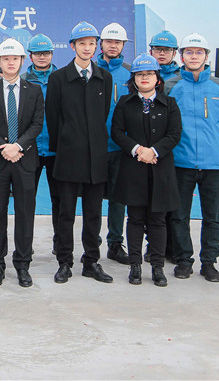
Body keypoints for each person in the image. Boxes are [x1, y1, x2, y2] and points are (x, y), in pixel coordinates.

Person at [165, 33, 219, 283]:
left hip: (213, 164)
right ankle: (184, 260)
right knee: (179, 215)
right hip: (180, 162)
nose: (194, 56)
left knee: (213, 217)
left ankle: (209, 262)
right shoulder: (171, 86)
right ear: (181, 56)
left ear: (206, 56)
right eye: (189, 52)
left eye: (199, 52)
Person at [46, 21, 114, 284]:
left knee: (93, 213)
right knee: (66, 213)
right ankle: (65, 262)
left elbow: (102, 114)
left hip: (96, 157)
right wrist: (64, 144)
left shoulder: (104, 77)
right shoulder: (58, 78)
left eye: (92, 44)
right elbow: (53, 117)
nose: (87, 48)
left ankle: (91, 261)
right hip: (68, 156)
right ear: (72, 46)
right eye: (82, 43)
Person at [110, 54, 183, 287]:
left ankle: (158, 267)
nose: (145, 78)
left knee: (158, 220)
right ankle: (135, 266)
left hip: (160, 169)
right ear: (133, 79)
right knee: (135, 218)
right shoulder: (125, 103)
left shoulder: (169, 104)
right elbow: (117, 132)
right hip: (133, 168)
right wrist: (138, 150)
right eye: (140, 74)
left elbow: (174, 134)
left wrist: (154, 151)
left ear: (157, 78)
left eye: (149, 74)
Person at [0, 38, 44, 288]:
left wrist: (18, 146)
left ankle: (23, 264)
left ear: (22, 61)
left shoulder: (34, 90)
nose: (10, 63)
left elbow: (37, 124)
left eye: (15, 58)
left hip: (24, 160)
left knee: (25, 214)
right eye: (6, 59)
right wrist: (3, 147)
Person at [97, 22, 133, 265]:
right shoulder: (89, 70)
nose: (113, 45)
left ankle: (115, 243)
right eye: (109, 41)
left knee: (118, 199)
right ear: (101, 44)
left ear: (123, 45)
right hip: (95, 147)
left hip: (121, 148)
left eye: (117, 42)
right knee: (91, 199)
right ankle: (91, 243)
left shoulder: (131, 74)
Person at [22, 34, 60, 255]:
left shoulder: (61, 79)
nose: (42, 57)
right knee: (26, 199)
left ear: (52, 54)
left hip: (57, 148)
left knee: (60, 200)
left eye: (46, 53)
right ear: (30, 56)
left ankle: (60, 243)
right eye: (37, 53)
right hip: (30, 147)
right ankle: (25, 245)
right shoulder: (23, 80)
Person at [145, 29, 180, 263]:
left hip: (173, 149)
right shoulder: (143, 74)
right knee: (150, 202)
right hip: (148, 151)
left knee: (171, 204)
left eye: (167, 50)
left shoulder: (180, 79)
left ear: (174, 53)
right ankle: (153, 245)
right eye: (158, 49)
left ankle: (172, 247)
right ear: (151, 51)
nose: (162, 53)